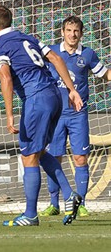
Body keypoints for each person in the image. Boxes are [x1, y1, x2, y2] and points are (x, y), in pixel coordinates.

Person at [0, 5, 84, 226]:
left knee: (29, 156)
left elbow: (6, 78)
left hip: (36, 99)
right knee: (38, 152)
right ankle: (69, 195)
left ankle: (30, 214)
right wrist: (71, 89)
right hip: (54, 95)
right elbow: (57, 59)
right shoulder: (27, 38)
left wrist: (9, 115)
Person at [39, 16, 111, 218]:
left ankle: (80, 203)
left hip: (78, 115)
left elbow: (105, 74)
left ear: (81, 33)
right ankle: (54, 204)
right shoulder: (51, 53)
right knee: (54, 158)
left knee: (80, 158)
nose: (72, 34)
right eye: (69, 30)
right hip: (55, 115)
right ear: (62, 32)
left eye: (76, 31)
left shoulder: (87, 54)